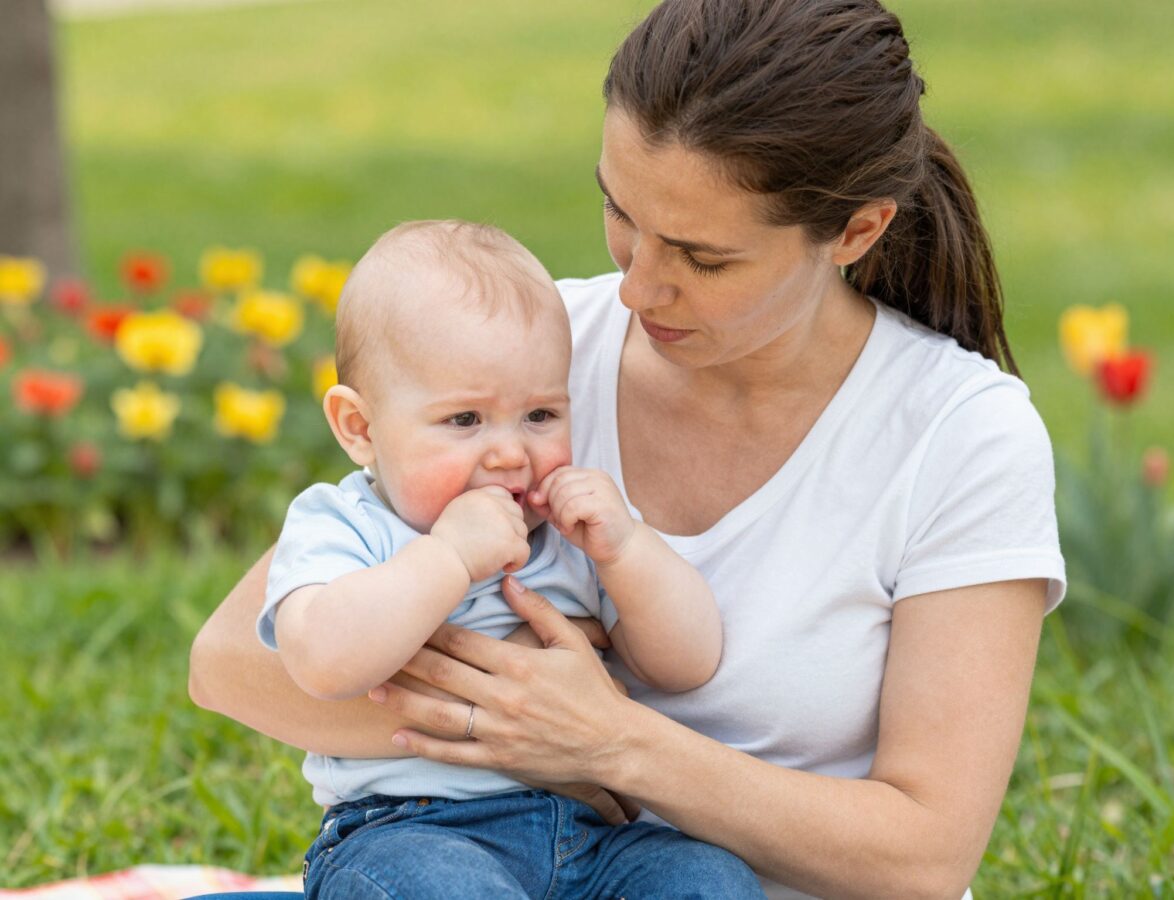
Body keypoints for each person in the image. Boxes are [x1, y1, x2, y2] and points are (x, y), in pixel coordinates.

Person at [189, 1, 1066, 897]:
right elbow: (227, 666)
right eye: (621, 212)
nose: (639, 287)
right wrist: (512, 724)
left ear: (856, 231)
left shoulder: (959, 435)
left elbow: (924, 855)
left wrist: (612, 742)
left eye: (703, 258)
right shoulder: (525, 364)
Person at [256, 219, 761, 898]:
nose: (509, 453)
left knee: (705, 877)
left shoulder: (571, 530)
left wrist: (628, 550)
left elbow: (687, 660)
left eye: (540, 416)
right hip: (414, 832)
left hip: (594, 834)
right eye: (464, 421)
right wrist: (449, 557)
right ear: (360, 427)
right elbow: (322, 660)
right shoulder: (346, 524)